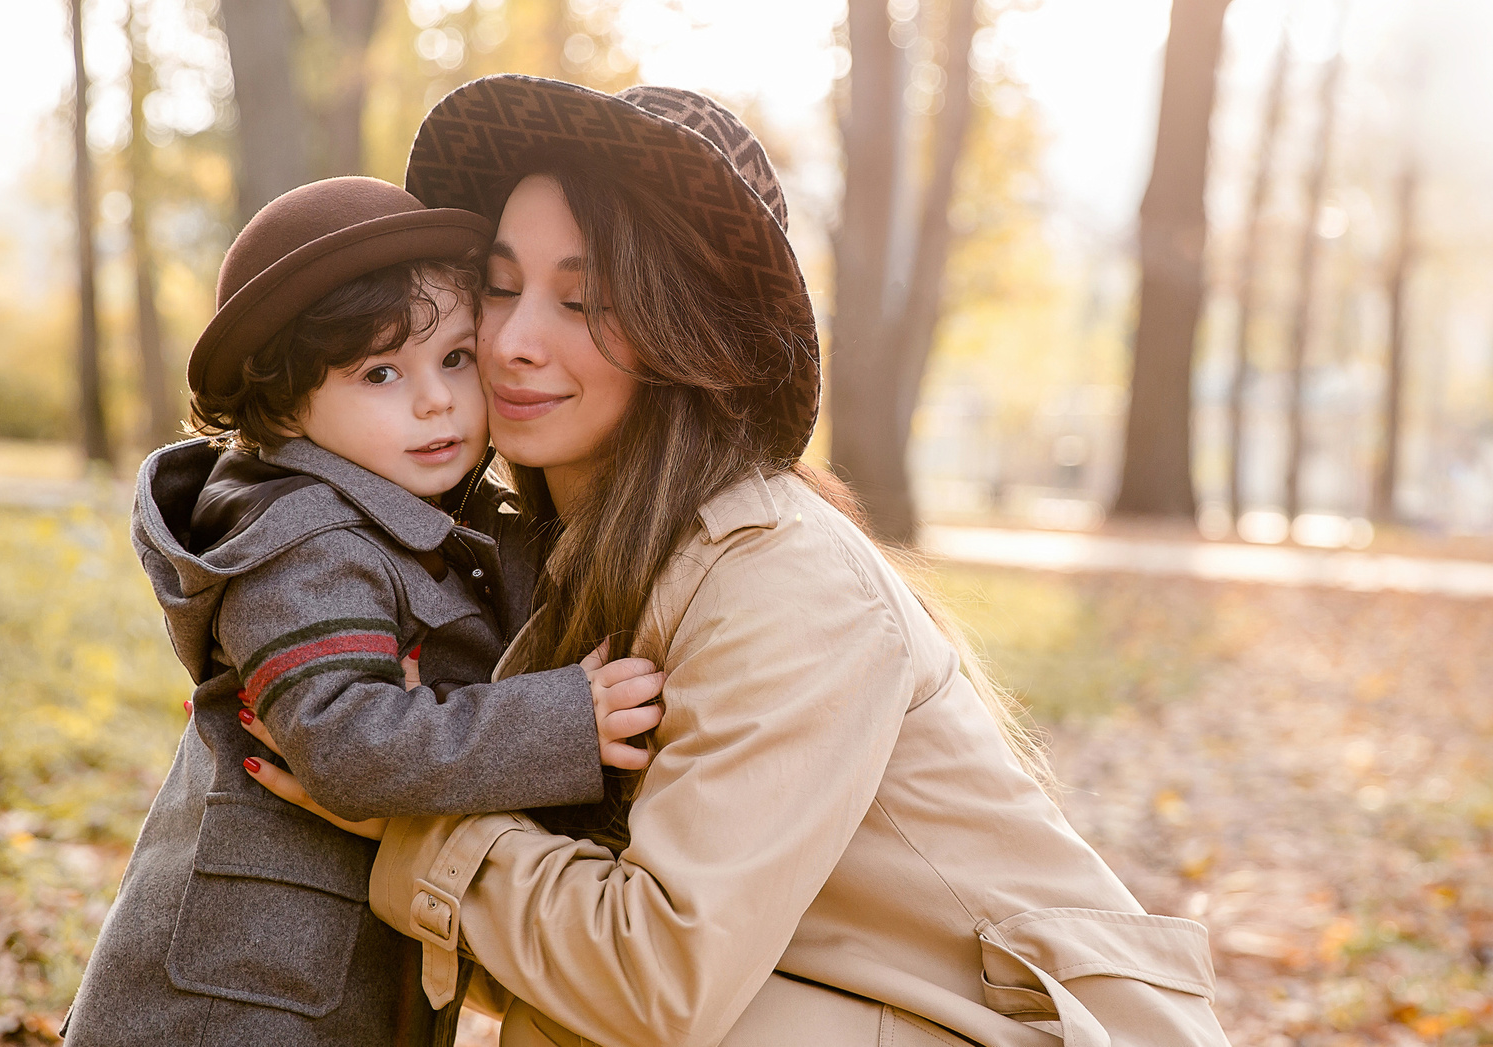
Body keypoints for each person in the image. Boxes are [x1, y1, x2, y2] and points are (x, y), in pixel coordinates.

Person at [244, 78, 1229, 1046]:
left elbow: (651, 981)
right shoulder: (553, 565)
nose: (513, 342)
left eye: (585, 301)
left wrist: (412, 821)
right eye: (498, 290)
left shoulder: (779, 578)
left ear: (686, 332)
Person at [65, 177, 666, 1047]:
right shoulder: (302, 544)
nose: (435, 400)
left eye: (457, 357)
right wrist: (567, 719)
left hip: (335, 986)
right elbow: (344, 746)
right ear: (285, 405)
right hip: (234, 1003)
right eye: (381, 372)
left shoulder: (419, 516)